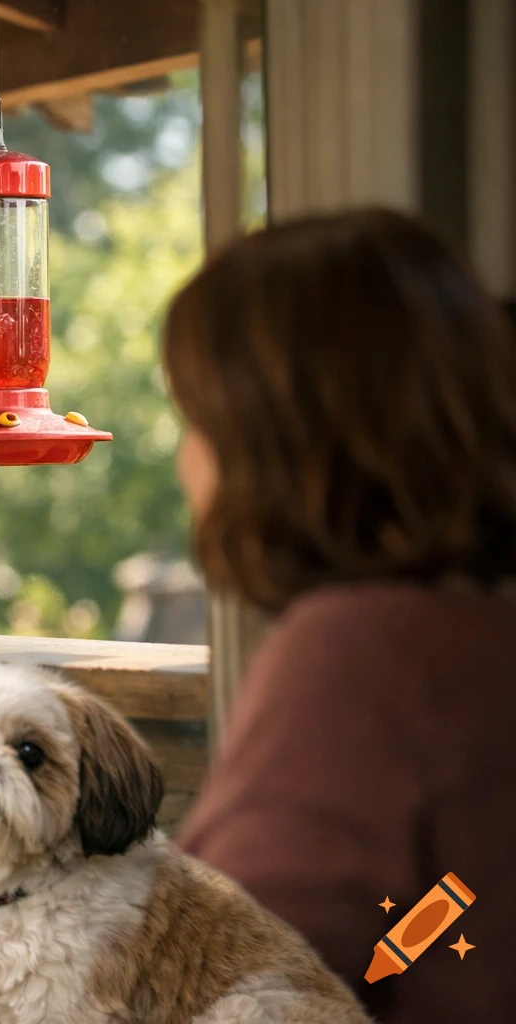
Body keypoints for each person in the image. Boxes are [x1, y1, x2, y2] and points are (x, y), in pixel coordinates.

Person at [167, 209, 516, 1024]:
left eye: (195, 418)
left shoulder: (361, 656)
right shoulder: (481, 638)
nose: (185, 456)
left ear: (276, 439)